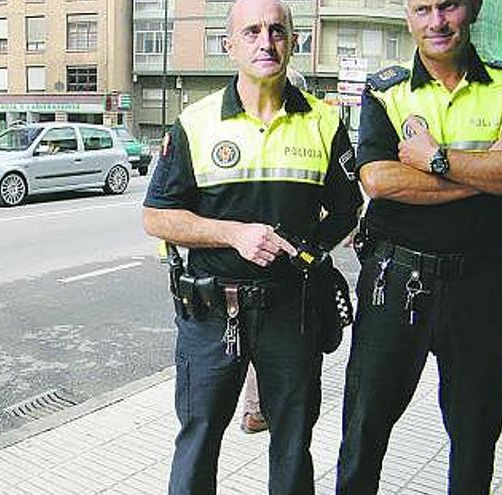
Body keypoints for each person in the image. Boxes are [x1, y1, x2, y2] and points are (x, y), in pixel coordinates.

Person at [143, 0, 362, 493]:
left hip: (293, 310)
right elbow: (157, 216)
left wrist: (305, 250)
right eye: (252, 32)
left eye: (277, 31)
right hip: (213, 313)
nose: (266, 42)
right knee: (198, 438)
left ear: (293, 40)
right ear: (229, 45)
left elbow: (349, 210)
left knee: (292, 441)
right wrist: (233, 233)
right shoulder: (195, 123)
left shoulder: (325, 123)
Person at [336, 0, 502, 494]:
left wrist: (435, 158)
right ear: (409, 16)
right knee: (364, 428)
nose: (437, 21)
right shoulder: (386, 91)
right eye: (423, 8)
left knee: (476, 432)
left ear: (473, 8)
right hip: (395, 283)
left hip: (484, 284)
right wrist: (491, 169)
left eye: (449, 5)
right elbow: (379, 179)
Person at [238, 65, 310, 436]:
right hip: (249, 269)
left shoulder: (310, 134)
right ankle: (257, 409)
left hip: (284, 274)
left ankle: (258, 409)